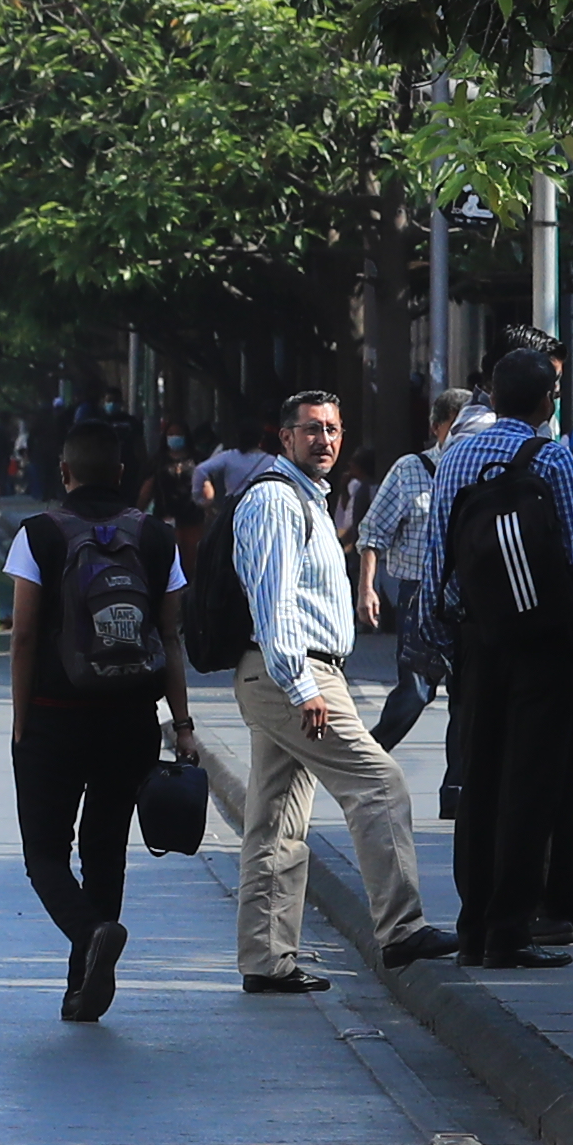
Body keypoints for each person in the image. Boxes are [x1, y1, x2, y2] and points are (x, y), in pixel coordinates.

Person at [217, 386, 461, 993]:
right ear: (285, 437)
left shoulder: (309, 500)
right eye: (310, 430)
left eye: (332, 429)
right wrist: (301, 686)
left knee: (275, 822)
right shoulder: (276, 501)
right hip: (291, 673)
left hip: (298, 673)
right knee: (379, 785)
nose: (323, 440)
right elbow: (274, 603)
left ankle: (266, 960)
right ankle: (402, 930)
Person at [433, 345, 573, 967]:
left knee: (479, 779)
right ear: (546, 403)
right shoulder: (553, 459)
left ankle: (474, 926)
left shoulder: (455, 458)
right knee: (533, 783)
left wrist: (451, 637)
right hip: (546, 646)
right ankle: (513, 928)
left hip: (479, 643)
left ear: (489, 395)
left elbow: (441, 559)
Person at [5, 417, 195, 1020]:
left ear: (64, 473)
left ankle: (89, 936)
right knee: (106, 848)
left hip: (55, 718)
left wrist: (20, 718)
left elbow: (27, 632)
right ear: (121, 474)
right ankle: (81, 987)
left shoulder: (38, 535)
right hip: (130, 718)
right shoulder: (157, 538)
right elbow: (169, 634)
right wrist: (181, 722)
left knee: (45, 857)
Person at [353, 388, 469, 762]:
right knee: (416, 689)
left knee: (466, 694)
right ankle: (366, 759)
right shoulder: (410, 470)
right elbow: (373, 533)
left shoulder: (482, 468)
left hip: (467, 596)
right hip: (419, 594)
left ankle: (457, 791)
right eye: (455, 426)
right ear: (437, 427)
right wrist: (367, 589)